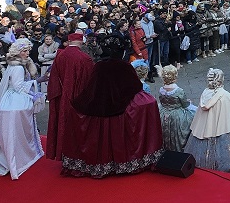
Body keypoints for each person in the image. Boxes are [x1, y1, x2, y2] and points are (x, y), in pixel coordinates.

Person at [62, 34, 164, 177]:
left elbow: (92, 87)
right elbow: (134, 86)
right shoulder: (123, 66)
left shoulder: (99, 66)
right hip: (120, 104)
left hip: (98, 103)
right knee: (149, 104)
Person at [0, 38, 44, 179]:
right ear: (18, 52)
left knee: (13, 132)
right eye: (24, 51)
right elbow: (19, 86)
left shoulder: (16, 65)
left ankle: (12, 156)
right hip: (15, 102)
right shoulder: (18, 67)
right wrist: (38, 82)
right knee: (15, 132)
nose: (27, 53)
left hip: (11, 101)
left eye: (28, 51)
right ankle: (15, 158)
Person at [184, 67, 230, 175]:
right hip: (223, 128)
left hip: (204, 127)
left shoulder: (204, 94)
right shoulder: (225, 96)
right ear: (221, 80)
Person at [45, 32, 93, 162]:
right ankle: (77, 157)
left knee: (63, 125)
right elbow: (89, 82)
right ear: (81, 42)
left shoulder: (60, 56)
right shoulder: (85, 58)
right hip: (78, 99)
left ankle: (62, 154)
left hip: (62, 98)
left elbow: (53, 80)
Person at [155, 64, 195, 152]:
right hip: (176, 115)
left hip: (163, 113)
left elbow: (162, 102)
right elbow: (185, 105)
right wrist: (190, 103)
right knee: (194, 115)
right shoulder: (179, 91)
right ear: (175, 77)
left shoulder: (161, 89)